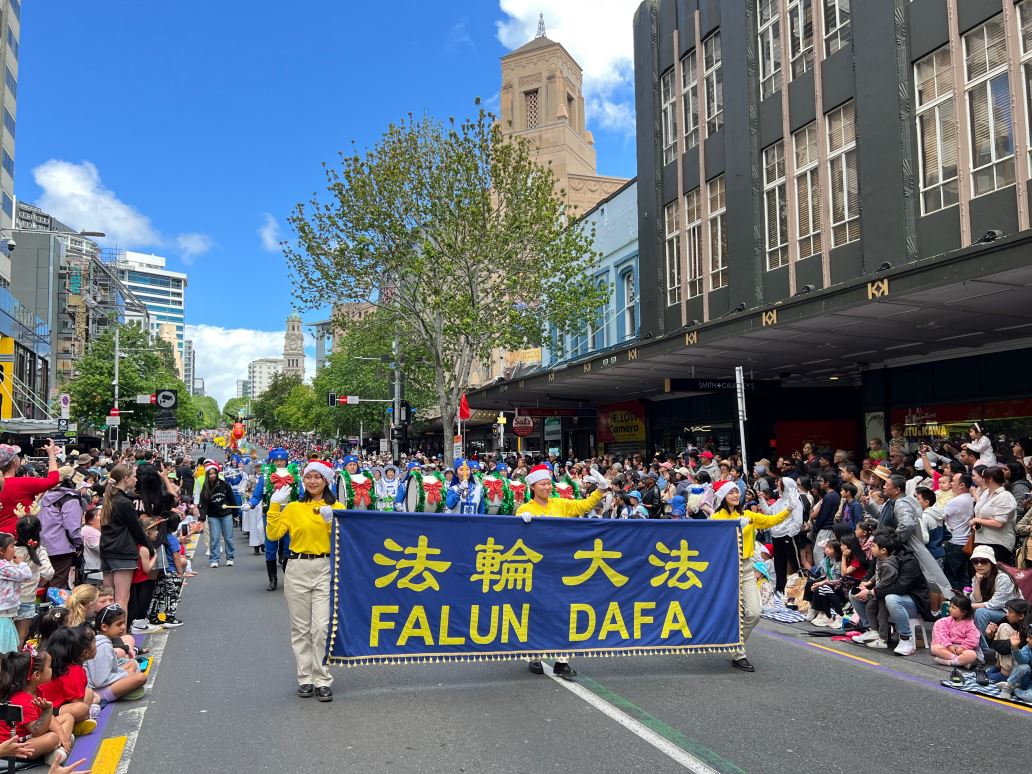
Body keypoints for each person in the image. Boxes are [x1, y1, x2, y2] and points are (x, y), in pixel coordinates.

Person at [516, 463, 609, 680]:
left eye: (549, 483)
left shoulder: (560, 504)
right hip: (537, 570)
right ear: (533, 487)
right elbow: (517, 536)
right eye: (543, 484)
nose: (548, 487)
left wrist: (600, 490)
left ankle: (562, 661)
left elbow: (583, 506)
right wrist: (520, 522)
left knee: (564, 612)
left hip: (562, 566)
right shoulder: (525, 509)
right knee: (537, 612)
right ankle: (535, 656)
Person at [266, 461, 336, 702]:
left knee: (321, 628)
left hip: (325, 568)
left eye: (318, 477)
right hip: (297, 567)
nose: (313, 481)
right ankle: (305, 677)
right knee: (300, 629)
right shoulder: (294, 507)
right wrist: (275, 505)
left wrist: (331, 522)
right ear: (303, 480)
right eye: (309, 477)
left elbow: (344, 540)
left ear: (326, 480)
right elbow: (273, 534)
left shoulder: (336, 506)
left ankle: (323, 677)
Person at [710, 482, 790, 672]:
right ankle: (739, 654)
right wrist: (734, 526)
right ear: (723, 496)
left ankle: (734, 644)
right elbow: (713, 539)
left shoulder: (748, 515)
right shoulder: (715, 517)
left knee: (754, 612)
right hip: (723, 569)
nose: (735, 494)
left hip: (745, 567)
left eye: (737, 491)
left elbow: (771, 521)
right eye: (731, 492)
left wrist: (790, 509)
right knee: (726, 611)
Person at [852, 531, 931, 656]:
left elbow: (899, 587)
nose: (870, 548)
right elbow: (873, 574)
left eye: (873, 545)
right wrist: (865, 583)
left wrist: (872, 592)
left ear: (884, 548)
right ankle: (872, 630)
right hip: (887, 593)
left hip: (914, 602)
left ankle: (906, 638)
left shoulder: (908, 561)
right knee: (854, 594)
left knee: (891, 599)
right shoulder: (879, 557)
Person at [0, 648, 75, 765]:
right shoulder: (23, 700)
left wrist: (61, 732)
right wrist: (48, 711)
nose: (52, 669)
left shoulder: (36, 691)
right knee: (52, 738)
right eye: (49, 667)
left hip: (29, 735)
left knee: (68, 717)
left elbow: (48, 720)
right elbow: (37, 731)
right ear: (37, 676)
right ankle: (56, 749)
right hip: (15, 746)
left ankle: (59, 747)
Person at [99, 464, 154, 611]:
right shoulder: (124, 502)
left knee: (108, 599)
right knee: (122, 599)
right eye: (134, 476)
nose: (136, 479)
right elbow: (136, 529)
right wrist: (150, 547)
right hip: (123, 551)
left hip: (107, 550)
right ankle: (121, 631)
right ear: (125, 478)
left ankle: (108, 631)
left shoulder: (109, 498)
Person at [249, 448, 296, 591]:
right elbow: (257, 495)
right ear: (272, 462)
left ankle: (288, 578)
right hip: (270, 515)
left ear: (286, 461)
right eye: (277, 461)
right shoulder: (265, 477)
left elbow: (300, 495)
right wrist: (250, 503)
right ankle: (272, 579)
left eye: (282, 460)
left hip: (289, 516)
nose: (280, 463)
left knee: (289, 546)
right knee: (270, 546)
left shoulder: (295, 476)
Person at [84, 604, 147, 703]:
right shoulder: (102, 646)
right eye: (119, 624)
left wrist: (124, 673)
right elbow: (99, 681)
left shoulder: (104, 641)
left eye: (123, 623)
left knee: (132, 664)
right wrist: (126, 674)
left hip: (103, 682)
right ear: (104, 627)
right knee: (141, 677)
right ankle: (106, 696)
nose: (123, 627)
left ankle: (122, 690)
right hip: (96, 690)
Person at [36, 466, 85, 590]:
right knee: (58, 585)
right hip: (62, 549)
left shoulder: (46, 496)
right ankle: (54, 610)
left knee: (44, 583)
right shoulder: (70, 499)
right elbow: (72, 528)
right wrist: (79, 544)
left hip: (43, 546)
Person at [967, 544, 1020, 653]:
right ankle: (968, 643)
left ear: (991, 563)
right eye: (975, 561)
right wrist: (977, 582)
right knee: (965, 610)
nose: (979, 564)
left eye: (983, 561)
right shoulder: (977, 576)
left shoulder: (1003, 578)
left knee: (980, 612)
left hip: (1007, 611)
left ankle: (982, 649)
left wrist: (968, 606)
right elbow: (976, 600)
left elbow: (995, 604)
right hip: (992, 609)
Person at [0, 441, 60, 535]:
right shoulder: (23, 483)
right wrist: (51, 454)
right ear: (14, 462)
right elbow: (53, 479)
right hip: (21, 537)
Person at [14, 516, 55, 643]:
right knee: (21, 636)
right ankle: (14, 662)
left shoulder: (10, 549)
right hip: (27, 598)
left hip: (6, 600)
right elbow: (48, 573)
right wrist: (40, 578)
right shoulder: (40, 551)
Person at [971, 466, 1017, 565]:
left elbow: (999, 523)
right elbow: (981, 513)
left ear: (990, 478)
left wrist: (977, 520)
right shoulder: (986, 493)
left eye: (983, 477)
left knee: (996, 575)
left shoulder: (1005, 496)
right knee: (980, 576)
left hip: (998, 543)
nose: (982, 479)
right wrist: (979, 521)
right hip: (981, 539)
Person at [198, 463, 239, 569]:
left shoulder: (224, 485)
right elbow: (203, 504)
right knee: (215, 538)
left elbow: (231, 499)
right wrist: (201, 518)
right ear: (207, 475)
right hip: (213, 516)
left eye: (214, 473)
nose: (212, 476)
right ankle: (214, 559)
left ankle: (230, 558)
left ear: (217, 474)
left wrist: (235, 513)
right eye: (210, 474)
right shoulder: (206, 488)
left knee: (228, 537)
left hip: (226, 514)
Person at [931, 595, 982, 678]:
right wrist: (949, 645)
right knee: (935, 648)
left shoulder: (970, 624)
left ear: (964, 612)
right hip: (949, 647)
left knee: (972, 655)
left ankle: (949, 662)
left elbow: (973, 639)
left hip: (963, 649)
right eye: (950, 606)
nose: (950, 609)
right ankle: (960, 661)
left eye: (953, 607)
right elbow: (943, 634)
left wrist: (962, 648)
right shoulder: (946, 621)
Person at [0, 532, 31, 653]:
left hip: (5, 614)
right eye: (12, 547)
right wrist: (21, 563)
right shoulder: (3, 566)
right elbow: (26, 575)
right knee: (5, 653)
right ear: (2, 551)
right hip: (3, 616)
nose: (14, 550)